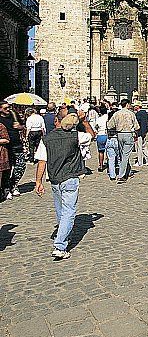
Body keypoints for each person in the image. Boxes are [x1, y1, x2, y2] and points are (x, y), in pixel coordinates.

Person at [34, 109, 94, 258]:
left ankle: (65, 236)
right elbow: (91, 135)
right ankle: (60, 246)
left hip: (54, 179)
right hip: (70, 178)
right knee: (68, 212)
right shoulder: (76, 136)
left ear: (56, 121)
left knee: (61, 211)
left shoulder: (46, 139)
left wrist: (38, 181)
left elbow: (42, 161)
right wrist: (84, 120)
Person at [107, 98, 139, 182]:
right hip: (128, 134)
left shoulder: (116, 114)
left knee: (124, 155)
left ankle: (128, 172)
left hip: (119, 135)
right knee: (125, 155)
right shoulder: (131, 114)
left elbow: (109, 125)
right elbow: (136, 126)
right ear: (127, 104)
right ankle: (121, 175)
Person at [0, 102, 26, 200]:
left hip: (17, 144)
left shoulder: (13, 114)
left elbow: (23, 127)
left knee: (21, 166)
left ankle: (13, 184)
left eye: (8, 107)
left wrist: (19, 126)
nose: (8, 110)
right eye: (5, 108)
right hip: (6, 147)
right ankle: (6, 188)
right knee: (7, 168)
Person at [105, 106, 119, 180]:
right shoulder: (117, 123)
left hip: (109, 140)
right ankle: (121, 174)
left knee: (111, 159)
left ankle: (112, 175)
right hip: (116, 140)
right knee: (119, 158)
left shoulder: (107, 123)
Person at [94, 103, 108, 172]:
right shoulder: (108, 117)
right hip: (107, 135)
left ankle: (101, 166)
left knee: (101, 152)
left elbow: (96, 127)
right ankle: (109, 166)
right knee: (109, 152)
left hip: (100, 135)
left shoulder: (99, 119)